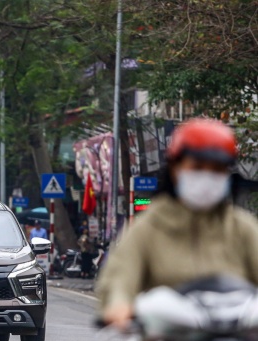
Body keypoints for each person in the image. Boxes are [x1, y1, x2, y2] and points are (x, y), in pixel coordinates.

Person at [97, 118, 258, 328]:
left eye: (217, 169)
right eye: (197, 167)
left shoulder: (242, 227)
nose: (207, 176)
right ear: (175, 168)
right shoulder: (149, 227)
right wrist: (119, 306)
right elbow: (119, 279)